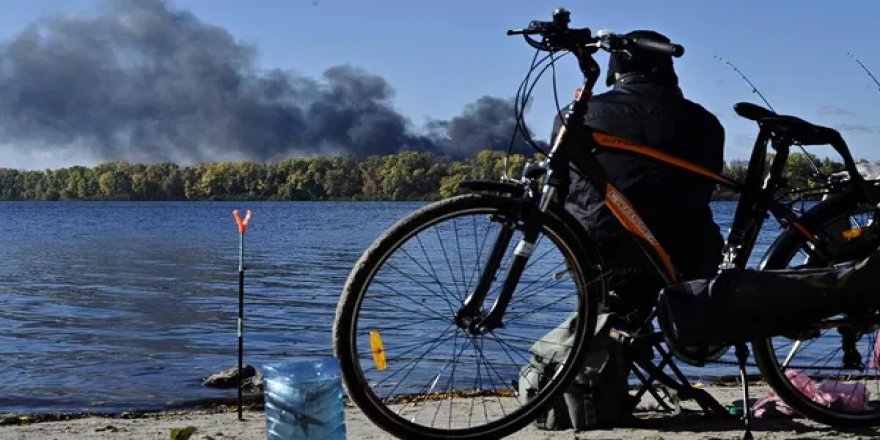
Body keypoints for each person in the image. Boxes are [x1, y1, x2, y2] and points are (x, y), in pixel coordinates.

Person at [555, 30, 725, 323]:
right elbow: (704, 190)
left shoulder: (575, 118)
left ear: (615, 71)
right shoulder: (707, 123)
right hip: (686, 255)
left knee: (608, 318)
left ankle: (610, 346)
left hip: (597, 256)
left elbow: (558, 193)